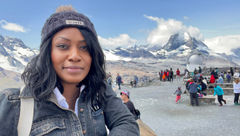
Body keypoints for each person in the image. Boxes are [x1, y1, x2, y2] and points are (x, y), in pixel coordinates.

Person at [0, 6, 139, 136]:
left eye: (84, 47)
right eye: (63, 46)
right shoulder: (12, 103)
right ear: (47, 53)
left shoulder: (100, 90)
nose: (75, 56)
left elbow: (126, 122)